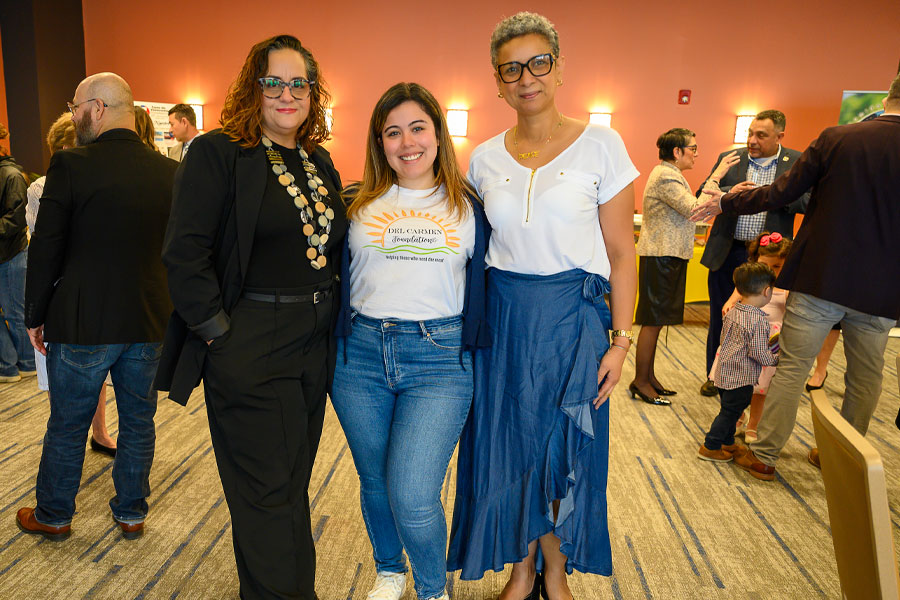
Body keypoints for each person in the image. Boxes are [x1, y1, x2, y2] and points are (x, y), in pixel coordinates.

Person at [448, 12, 638, 600]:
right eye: (511, 69)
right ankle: (521, 567)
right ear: (497, 81)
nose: (526, 77)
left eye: (538, 63)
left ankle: (555, 570)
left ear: (558, 69)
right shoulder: (483, 158)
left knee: (563, 449)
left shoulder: (602, 145)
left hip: (574, 323)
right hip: (505, 322)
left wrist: (621, 341)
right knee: (509, 447)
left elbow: (622, 253)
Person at [155, 35, 346, 599]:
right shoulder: (219, 153)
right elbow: (183, 253)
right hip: (250, 341)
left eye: (298, 83)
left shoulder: (317, 160)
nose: (287, 93)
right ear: (252, 89)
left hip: (314, 343)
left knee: (289, 484)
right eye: (273, 82)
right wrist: (218, 334)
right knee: (266, 491)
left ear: (313, 92)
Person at [692, 73, 900, 479]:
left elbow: (780, 192)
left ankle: (765, 456)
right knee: (865, 378)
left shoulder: (837, 138)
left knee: (791, 367)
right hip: (881, 289)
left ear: (887, 96)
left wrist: (728, 202)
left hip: (821, 277)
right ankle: (843, 458)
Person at [331, 82, 489, 600]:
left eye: (417, 128)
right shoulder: (354, 202)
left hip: (439, 359)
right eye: (393, 132)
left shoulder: (471, 208)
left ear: (438, 135)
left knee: (414, 492)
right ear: (380, 142)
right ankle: (389, 570)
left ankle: (431, 589)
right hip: (360, 356)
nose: (407, 142)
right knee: (375, 480)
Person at [16, 72, 175, 541]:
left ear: (98, 109)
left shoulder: (70, 164)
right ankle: (131, 512)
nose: (73, 115)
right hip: (149, 319)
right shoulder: (169, 171)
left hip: (83, 321)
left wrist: (34, 316)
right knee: (139, 421)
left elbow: (46, 248)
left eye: (75, 107)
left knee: (68, 424)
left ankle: (54, 515)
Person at [24, 112, 117, 457]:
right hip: (58, 291)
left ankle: (100, 432)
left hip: (95, 290)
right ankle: (66, 440)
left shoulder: (102, 182)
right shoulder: (41, 188)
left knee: (97, 367)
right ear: (66, 148)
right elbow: (43, 246)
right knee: (59, 373)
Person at [697, 110, 808, 397]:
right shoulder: (730, 158)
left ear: (779, 136)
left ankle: (758, 378)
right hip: (728, 251)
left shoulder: (796, 161)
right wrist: (730, 191)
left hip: (768, 258)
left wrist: (776, 194)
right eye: (750, 133)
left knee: (765, 320)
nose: (752, 140)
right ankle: (716, 375)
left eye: (761, 135)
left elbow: (809, 201)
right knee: (722, 315)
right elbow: (703, 193)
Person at [629, 128, 712, 405]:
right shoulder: (666, 175)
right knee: (652, 321)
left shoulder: (671, 174)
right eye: (693, 149)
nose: (696, 154)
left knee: (658, 320)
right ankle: (641, 381)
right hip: (661, 256)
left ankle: (648, 377)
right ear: (677, 151)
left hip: (667, 256)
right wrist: (717, 177)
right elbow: (695, 210)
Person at [698, 262, 778, 465]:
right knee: (730, 413)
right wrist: (775, 359)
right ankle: (710, 446)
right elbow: (758, 352)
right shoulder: (758, 320)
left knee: (729, 409)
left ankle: (727, 442)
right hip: (741, 377)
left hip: (723, 372)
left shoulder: (732, 310)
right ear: (767, 291)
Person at [716, 232, 792, 444]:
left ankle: (754, 424)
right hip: (743, 341)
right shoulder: (749, 284)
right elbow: (731, 301)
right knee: (737, 383)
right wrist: (730, 307)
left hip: (768, 341)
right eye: (765, 265)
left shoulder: (786, 288)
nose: (770, 271)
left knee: (761, 390)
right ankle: (738, 415)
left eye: (777, 266)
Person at [0, 121, 36, 383]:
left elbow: (16, 218)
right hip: (6, 254)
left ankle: (25, 362)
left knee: (15, 312)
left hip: (11, 255)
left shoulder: (11, 175)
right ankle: (9, 364)